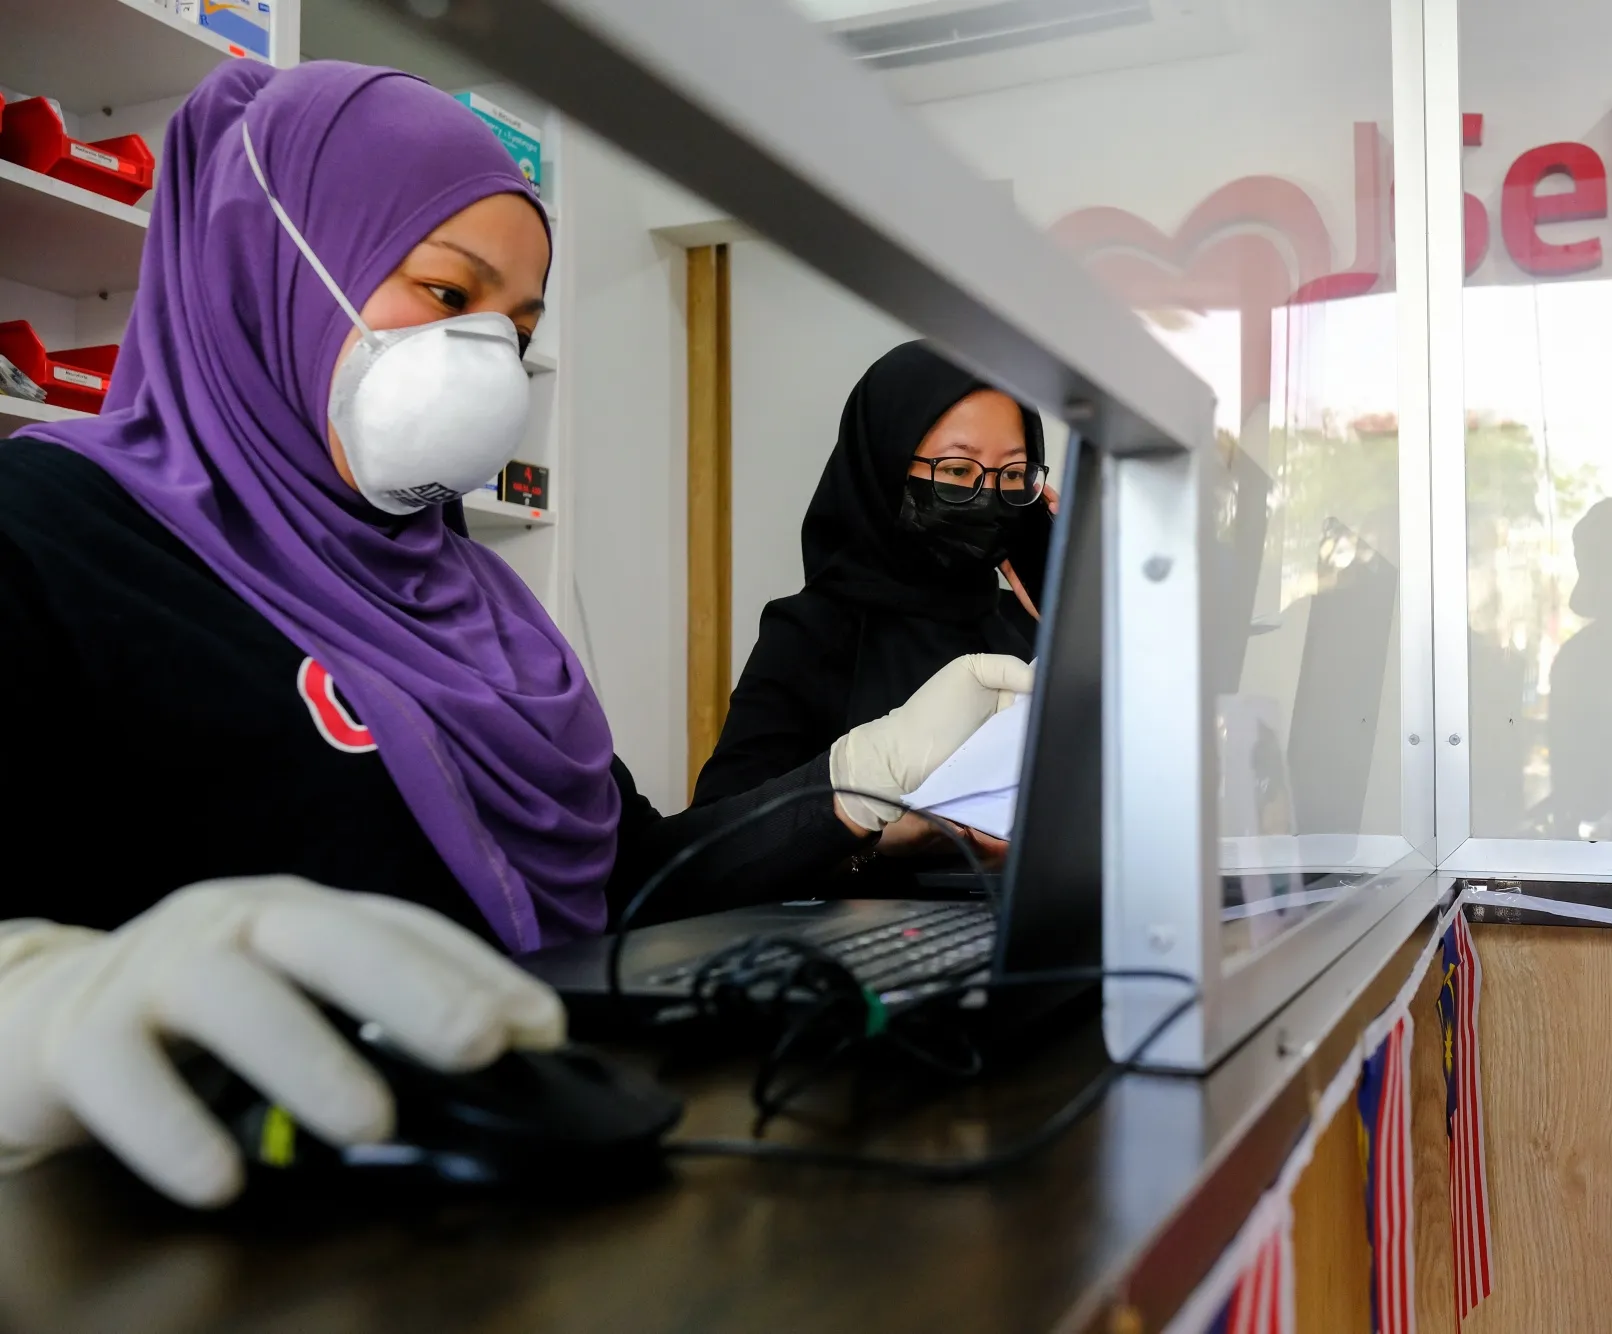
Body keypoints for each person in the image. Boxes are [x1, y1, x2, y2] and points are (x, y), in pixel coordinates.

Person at [0, 62, 1027, 1207]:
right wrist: (34, 1006)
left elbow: (630, 888)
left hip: (526, 1192)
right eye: (447, 296)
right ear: (274, 267)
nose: (487, 359)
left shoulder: (485, 608)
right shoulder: (44, 534)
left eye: (517, 325)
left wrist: (853, 784)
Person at [692, 342, 1054, 863]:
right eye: (956, 471)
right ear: (883, 465)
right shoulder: (810, 631)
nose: (987, 496)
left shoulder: (1030, 625)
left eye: (1014, 475)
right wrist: (888, 839)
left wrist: (1084, 614)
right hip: (860, 936)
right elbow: (715, 847)